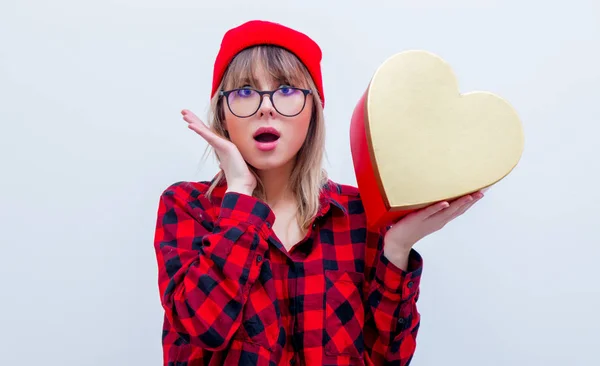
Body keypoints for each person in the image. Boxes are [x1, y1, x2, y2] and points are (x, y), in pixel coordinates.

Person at [153, 19, 483, 366]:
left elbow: (390, 358)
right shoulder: (188, 208)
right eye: (246, 91)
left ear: (313, 111)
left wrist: (397, 249)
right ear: (222, 112)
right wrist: (240, 192)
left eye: (286, 90)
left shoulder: (359, 215)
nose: (266, 107)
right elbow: (202, 327)